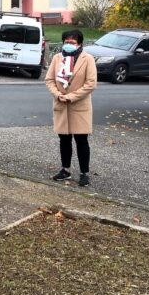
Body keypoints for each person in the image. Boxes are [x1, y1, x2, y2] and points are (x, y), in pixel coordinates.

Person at [44, 29, 97, 186]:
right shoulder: (57, 58)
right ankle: (65, 169)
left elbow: (91, 84)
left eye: (72, 42)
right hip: (61, 104)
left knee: (81, 140)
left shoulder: (88, 59)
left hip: (79, 105)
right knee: (64, 139)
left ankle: (84, 173)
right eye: (66, 42)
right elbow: (49, 80)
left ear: (79, 43)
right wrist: (58, 94)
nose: (69, 45)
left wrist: (71, 97)